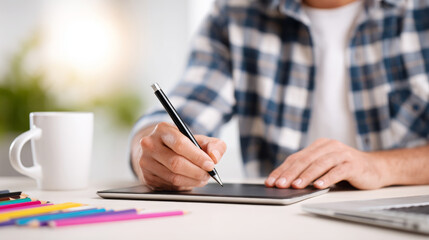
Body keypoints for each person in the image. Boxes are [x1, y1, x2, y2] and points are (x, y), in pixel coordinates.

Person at [130, 0, 429, 191]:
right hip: (278, 226)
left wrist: (381, 166)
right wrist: (154, 151)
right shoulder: (236, 13)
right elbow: (181, 113)